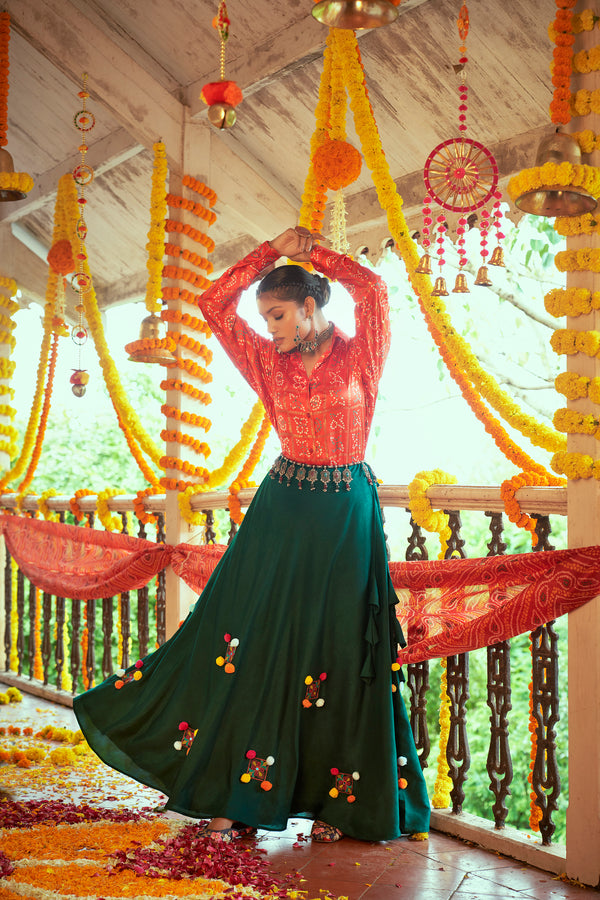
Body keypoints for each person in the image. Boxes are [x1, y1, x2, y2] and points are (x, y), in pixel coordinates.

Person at [74, 226, 431, 844]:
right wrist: (270, 253)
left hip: (346, 516)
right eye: (266, 317)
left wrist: (313, 253)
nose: (270, 328)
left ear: (311, 305)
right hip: (282, 514)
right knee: (254, 643)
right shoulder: (270, 360)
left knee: (342, 649)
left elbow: (372, 288)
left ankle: (339, 804)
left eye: (278, 314)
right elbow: (214, 303)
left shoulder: (361, 355)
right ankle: (238, 794)